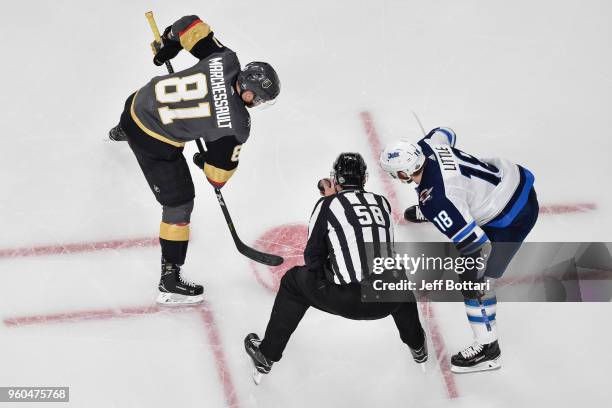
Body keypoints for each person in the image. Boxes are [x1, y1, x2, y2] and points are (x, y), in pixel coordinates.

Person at [109, 15, 280, 305]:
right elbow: (218, 175)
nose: (258, 104)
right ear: (249, 91)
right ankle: (170, 279)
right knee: (179, 203)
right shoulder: (237, 126)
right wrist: (203, 160)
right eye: (259, 99)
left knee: (142, 110)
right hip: (153, 140)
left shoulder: (225, 59)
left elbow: (189, 25)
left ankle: (121, 130)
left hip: (136, 101)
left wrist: (169, 44)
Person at [244, 153, 427, 384]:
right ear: (364, 179)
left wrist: (328, 201)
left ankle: (266, 355)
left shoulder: (327, 204)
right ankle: (418, 346)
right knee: (398, 281)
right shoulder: (382, 202)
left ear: (335, 179)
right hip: (388, 299)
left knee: (293, 283)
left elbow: (312, 256)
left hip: (348, 299)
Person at [380, 127, 539, 373]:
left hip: (514, 217)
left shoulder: (439, 200)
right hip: (511, 178)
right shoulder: (427, 146)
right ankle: (448, 214)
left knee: (476, 282)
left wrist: (472, 276)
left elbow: (478, 245)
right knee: (444, 205)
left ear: (403, 173)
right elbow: (445, 132)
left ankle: (489, 349)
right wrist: (433, 203)